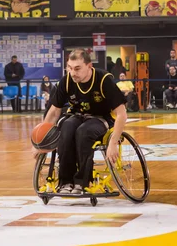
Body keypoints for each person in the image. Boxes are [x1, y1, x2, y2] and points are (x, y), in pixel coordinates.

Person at [41, 49, 127, 194]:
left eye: (77, 68)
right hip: (77, 115)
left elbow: (122, 114)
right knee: (66, 127)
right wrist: (42, 141)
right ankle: (65, 182)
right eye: (69, 68)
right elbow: (54, 111)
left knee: (83, 132)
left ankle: (82, 182)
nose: (73, 72)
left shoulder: (104, 80)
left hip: (102, 118)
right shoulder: (67, 80)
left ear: (89, 66)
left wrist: (113, 142)